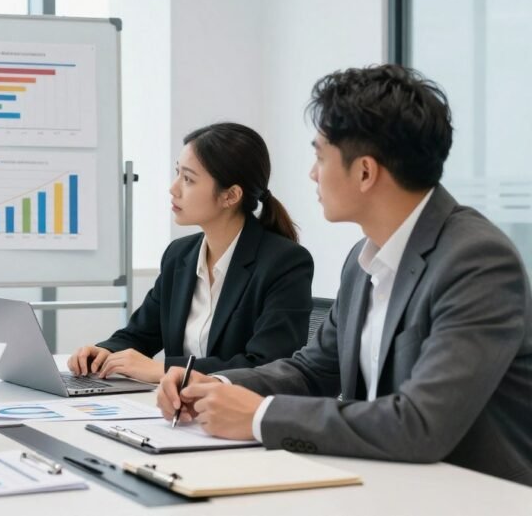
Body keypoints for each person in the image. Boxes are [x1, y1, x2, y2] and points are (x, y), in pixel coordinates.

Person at [157, 64, 532, 487]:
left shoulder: (476, 261)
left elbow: (422, 424)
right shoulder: (362, 259)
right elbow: (312, 371)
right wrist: (214, 385)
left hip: (475, 495)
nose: (312, 174)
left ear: (365, 172)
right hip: (381, 481)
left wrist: (259, 416)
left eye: (320, 157)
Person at [68, 123, 314, 383]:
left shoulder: (285, 263)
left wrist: (167, 371)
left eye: (188, 179)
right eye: (178, 174)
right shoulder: (179, 255)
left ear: (230, 196)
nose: (173, 188)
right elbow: (140, 334)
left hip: (236, 413)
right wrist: (104, 352)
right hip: (175, 412)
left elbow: (266, 364)